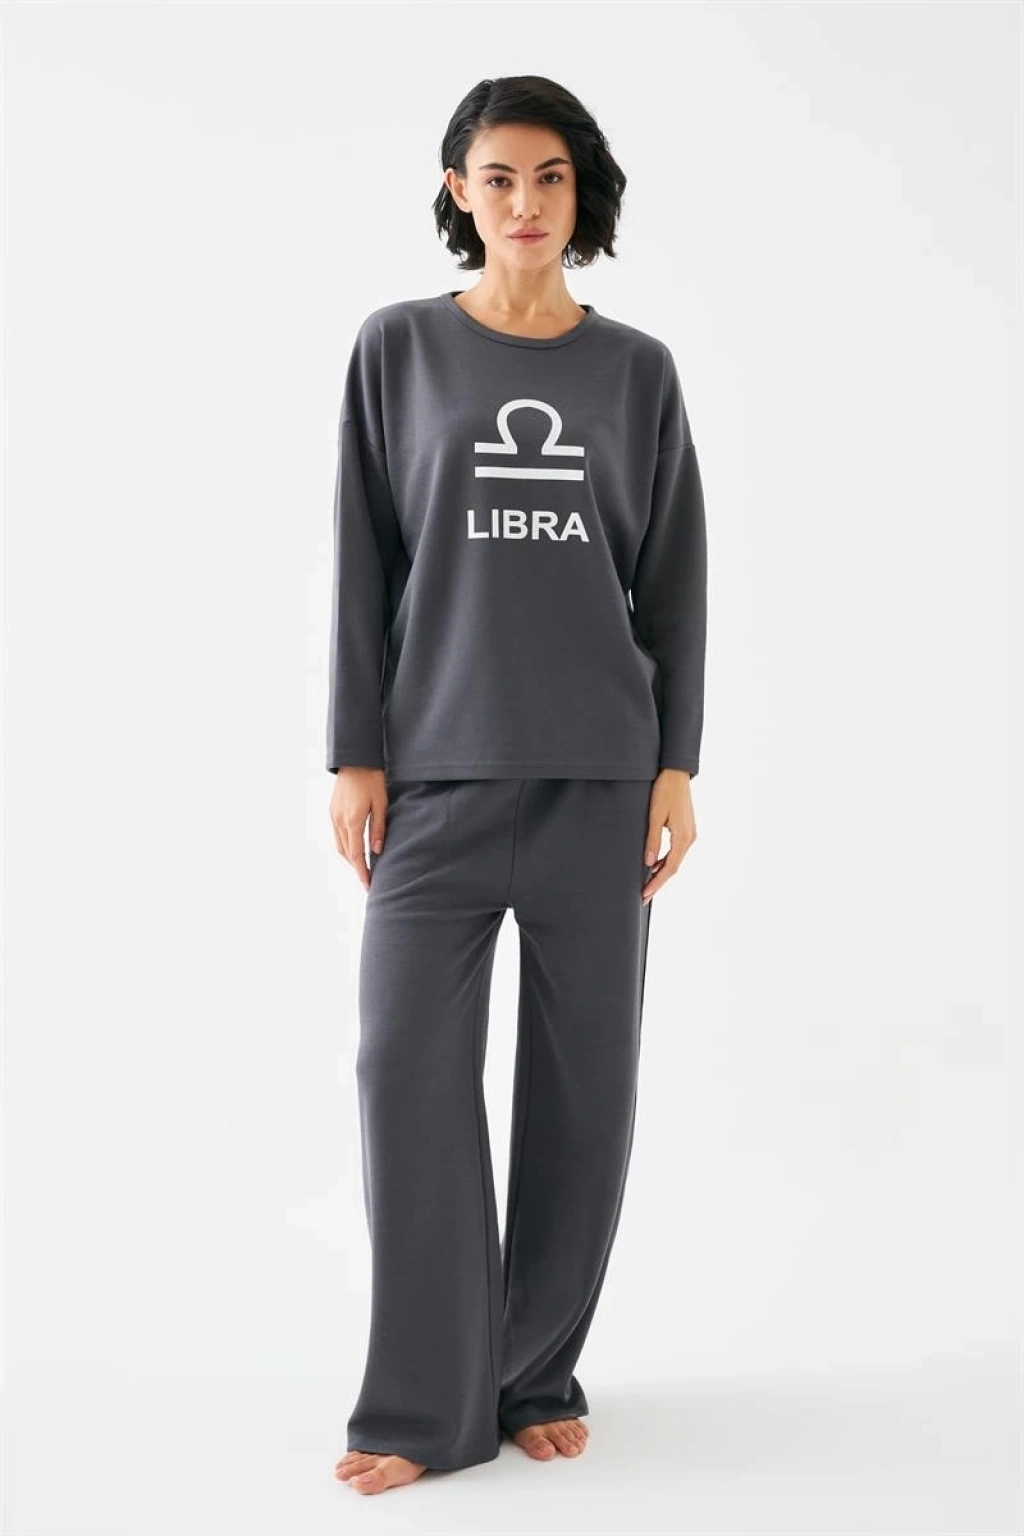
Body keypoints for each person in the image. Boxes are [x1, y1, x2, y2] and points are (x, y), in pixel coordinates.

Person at [327, 74, 708, 1496]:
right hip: (435, 778)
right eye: (498, 177)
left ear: (579, 191)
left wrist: (677, 765)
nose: (526, 203)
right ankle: (427, 1403)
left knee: (583, 1093)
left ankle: (533, 1371)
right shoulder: (398, 349)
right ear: (458, 193)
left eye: (550, 177)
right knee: (404, 1073)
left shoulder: (638, 372)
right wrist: (355, 751)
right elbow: (363, 559)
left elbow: (674, 579)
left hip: (601, 780)